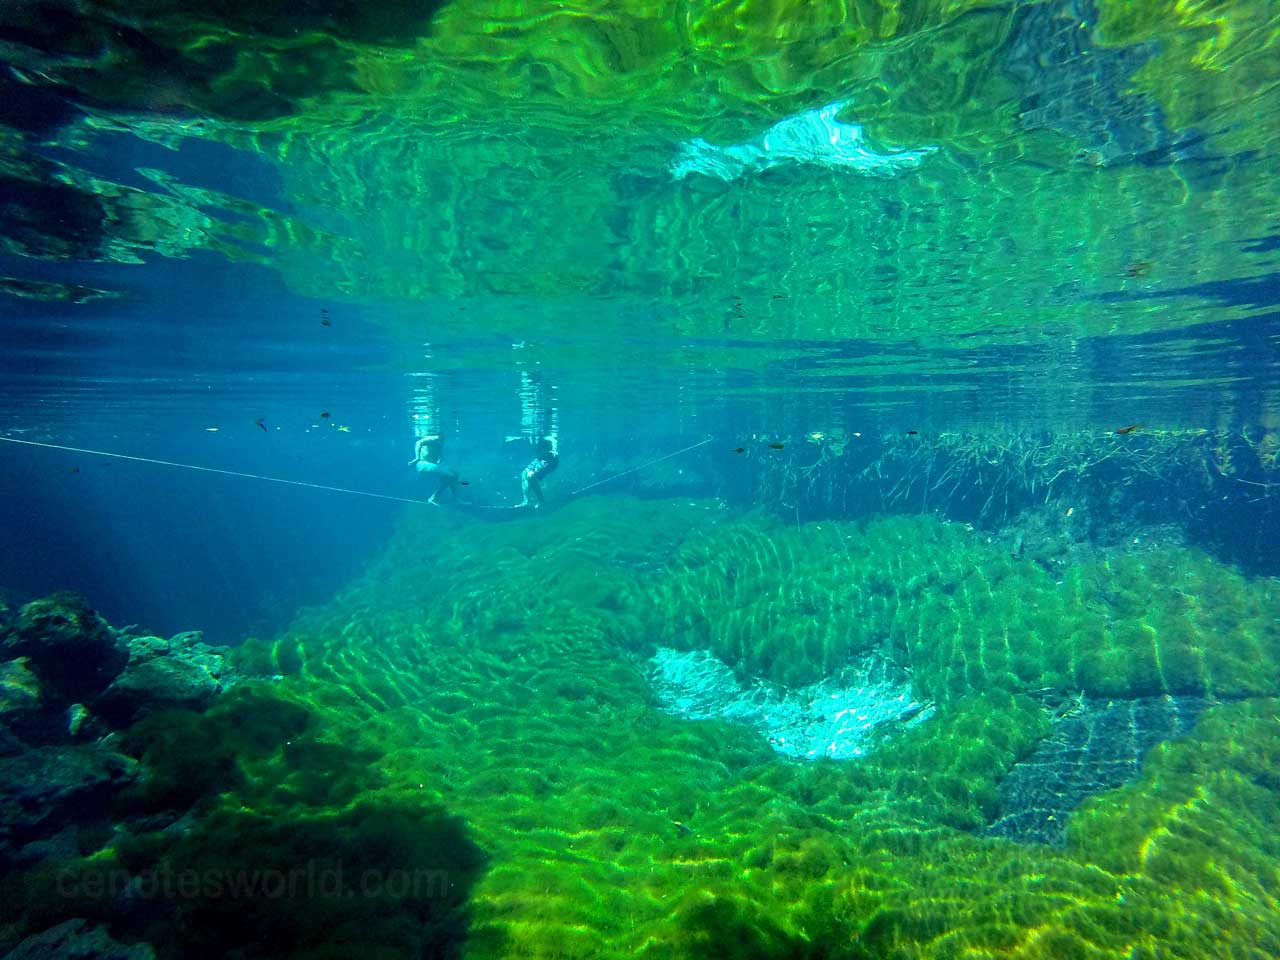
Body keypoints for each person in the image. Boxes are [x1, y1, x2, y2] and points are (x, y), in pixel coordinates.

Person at [507, 433, 559, 508]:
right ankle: (526, 501)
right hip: (541, 458)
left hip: (550, 460)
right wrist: (512, 438)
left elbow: (552, 449)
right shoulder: (534, 436)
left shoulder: (548, 438)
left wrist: (552, 451)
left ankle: (541, 501)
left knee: (531, 476)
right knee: (524, 473)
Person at [409, 435, 461, 505]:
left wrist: (442, 464)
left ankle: (455, 498)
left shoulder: (440, 443)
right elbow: (418, 443)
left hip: (432, 465)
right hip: (423, 464)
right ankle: (433, 498)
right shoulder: (433, 438)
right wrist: (417, 457)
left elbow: (441, 458)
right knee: (450, 475)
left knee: (454, 474)